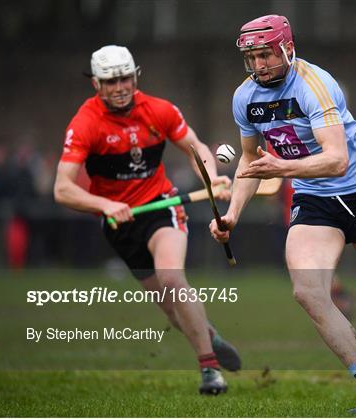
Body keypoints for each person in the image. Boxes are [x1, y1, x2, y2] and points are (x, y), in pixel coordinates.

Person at [209, 15, 356, 412]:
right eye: (252, 56)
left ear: (287, 49)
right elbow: (251, 162)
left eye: (266, 54)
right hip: (315, 199)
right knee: (308, 291)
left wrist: (279, 168)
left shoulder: (316, 85)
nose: (259, 64)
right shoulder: (244, 98)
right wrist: (231, 214)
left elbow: (336, 160)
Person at [54, 45, 240, 395]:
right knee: (171, 310)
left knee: (172, 278)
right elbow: (62, 189)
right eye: (111, 81)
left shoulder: (159, 110)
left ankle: (209, 370)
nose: (120, 86)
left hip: (161, 207)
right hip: (120, 224)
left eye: (125, 78)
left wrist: (211, 177)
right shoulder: (86, 124)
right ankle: (209, 334)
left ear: (135, 76)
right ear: (97, 84)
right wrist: (104, 205)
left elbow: (196, 147)